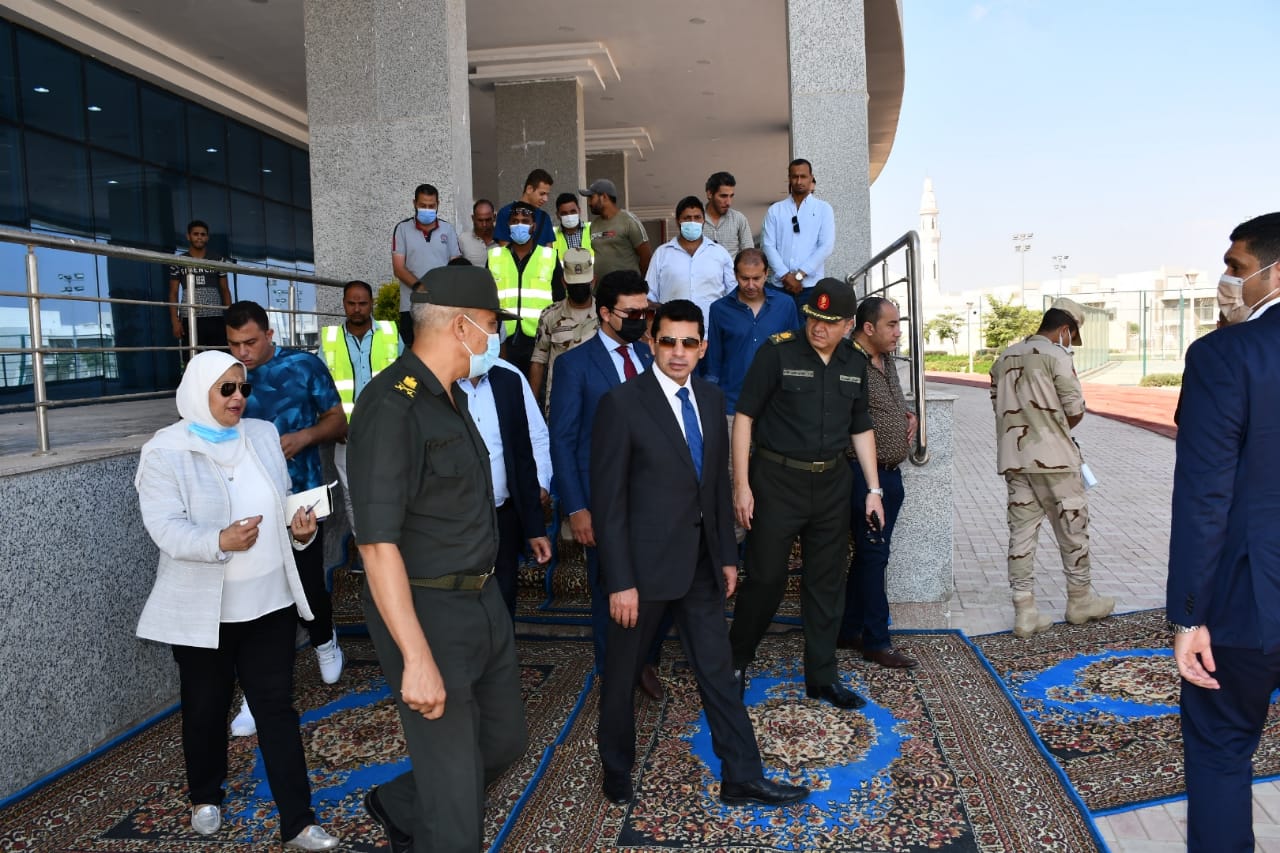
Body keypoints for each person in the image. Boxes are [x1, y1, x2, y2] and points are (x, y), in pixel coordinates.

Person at [592, 299, 809, 808]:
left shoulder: (711, 399)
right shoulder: (621, 404)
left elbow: (714, 485)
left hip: (700, 567)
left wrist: (727, 555)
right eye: (668, 341)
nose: (678, 352)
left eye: (689, 343)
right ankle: (616, 768)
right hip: (641, 575)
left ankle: (742, 776)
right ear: (652, 342)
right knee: (622, 675)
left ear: (703, 347)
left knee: (717, 671)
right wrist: (620, 581)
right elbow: (609, 502)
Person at [346, 265, 529, 853]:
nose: (497, 337)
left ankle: (400, 805)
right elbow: (376, 544)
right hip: (427, 610)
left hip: (482, 598)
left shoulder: (452, 396)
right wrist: (416, 657)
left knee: (504, 742)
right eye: (494, 325)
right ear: (462, 326)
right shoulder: (391, 406)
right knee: (456, 804)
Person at [134, 351, 340, 851]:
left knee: (276, 710)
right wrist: (219, 541)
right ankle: (205, 797)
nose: (238, 398)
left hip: (270, 603)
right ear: (197, 391)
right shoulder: (165, 450)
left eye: (243, 388)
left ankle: (299, 821)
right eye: (226, 389)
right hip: (205, 611)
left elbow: (283, 505)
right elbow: (165, 529)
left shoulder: (263, 435)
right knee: (205, 708)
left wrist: (302, 533)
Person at [1168, 212, 1280, 853]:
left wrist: (1190, 615)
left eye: (1236, 269)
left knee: (1219, 750)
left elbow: (1204, 497)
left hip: (1248, 605)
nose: (1227, 281)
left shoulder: (1224, 355)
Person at [728, 278, 884, 710]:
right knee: (765, 579)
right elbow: (744, 418)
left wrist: (873, 489)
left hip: (832, 484)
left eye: (830, 322)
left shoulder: (854, 362)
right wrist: (741, 485)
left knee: (827, 583)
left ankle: (822, 676)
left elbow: (861, 426)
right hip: (776, 482)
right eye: (813, 317)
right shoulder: (777, 352)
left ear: (849, 325)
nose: (818, 327)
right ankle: (735, 661)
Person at [226, 301, 348, 736]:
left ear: (270, 334)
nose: (243, 352)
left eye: (250, 342)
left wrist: (306, 436)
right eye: (234, 344)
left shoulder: (304, 366)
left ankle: (324, 639)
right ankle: (256, 695)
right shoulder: (225, 377)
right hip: (245, 504)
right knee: (257, 600)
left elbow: (339, 422)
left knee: (307, 584)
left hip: (301, 498)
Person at [548, 269, 667, 699]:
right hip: (602, 500)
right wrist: (576, 507)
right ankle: (614, 670)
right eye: (631, 313)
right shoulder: (574, 364)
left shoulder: (652, 358)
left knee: (659, 586)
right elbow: (562, 439)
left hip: (654, 497)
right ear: (605, 313)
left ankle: (646, 660)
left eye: (645, 312)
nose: (640, 320)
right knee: (609, 588)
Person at [989, 297, 1115, 638]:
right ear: (1065, 329)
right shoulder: (1057, 356)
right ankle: (1080, 600)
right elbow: (1075, 409)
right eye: (1071, 337)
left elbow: (997, 406)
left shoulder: (1003, 358)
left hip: (1016, 461)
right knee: (1073, 531)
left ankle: (1024, 611)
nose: (1070, 343)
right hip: (1056, 461)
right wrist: (1053, 430)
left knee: (1021, 535)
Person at [837, 297, 918, 668]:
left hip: (891, 473)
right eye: (892, 324)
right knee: (873, 555)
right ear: (868, 328)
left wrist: (906, 416)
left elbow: (885, 404)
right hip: (863, 476)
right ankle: (876, 640)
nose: (898, 332)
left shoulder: (885, 359)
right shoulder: (847, 361)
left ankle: (849, 629)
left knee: (870, 556)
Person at [705, 248, 800, 543]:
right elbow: (713, 365)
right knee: (734, 479)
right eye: (744, 278)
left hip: (775, 409)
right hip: (732, 409)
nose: (750, 284)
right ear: (735, 275)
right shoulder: (719, 309)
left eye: (756, 278)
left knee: (771, 478)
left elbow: (796, 355)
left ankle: (766, 545)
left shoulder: (785, 305)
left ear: (766, 274)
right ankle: (733, 551)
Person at [456, 356, 553, 618]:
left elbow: (530, 441)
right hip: (454, 521)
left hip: (503, 515)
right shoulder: (436, 381)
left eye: (494, 334)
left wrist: (537, 490)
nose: (490, 338)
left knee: (502, 597)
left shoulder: (509, 378)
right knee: (458, 605)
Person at [319, 281, 403, 546]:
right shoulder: (330, 339)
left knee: (389, 492)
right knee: (353, 495)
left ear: (372, 304)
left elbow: (410, 377)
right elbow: (320, 387)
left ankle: (392, 547)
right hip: (346, 434)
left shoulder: (390, 333)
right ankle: (367, 548)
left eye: (363, 303)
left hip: (386, 432)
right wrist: (332, 422)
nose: (357, 309)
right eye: (351, 303)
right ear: (344, 304)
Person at [488, 202, 558, 376]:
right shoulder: (494, 256)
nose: (519, 225)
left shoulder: (549, 257)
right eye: (515, 221)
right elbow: (485, 298)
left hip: (539, 339)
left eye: (525, 221)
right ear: (508, 225)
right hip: (503, 340)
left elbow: (559, 299)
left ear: (534, 226)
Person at [645, 196, 735, 324]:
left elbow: (733, 294)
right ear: (678, 221)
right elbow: (649, 297)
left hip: (712, 329)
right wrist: (666, 312)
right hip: (672, 329)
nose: (693, 222)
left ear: (704, 220)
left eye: (697, 217)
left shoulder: (719, 253)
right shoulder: (662, 254)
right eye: (687, 218)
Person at [391, 183, 461, 346]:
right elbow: (399, 268)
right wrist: (421, 288)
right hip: (410, 307)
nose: (427, 209)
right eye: (423, 205)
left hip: (442, 307)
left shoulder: (448, 229)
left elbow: (456, 266)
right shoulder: (402, 229)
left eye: (431, 206)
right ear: (414, 203)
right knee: (412, 353)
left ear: (438, 204)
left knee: (441, 352)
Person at [760, 158, 834, 309]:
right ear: (789, 178)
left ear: (811, 178)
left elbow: (826, 246)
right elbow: (767, 245)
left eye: (803, 176)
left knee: (808, 324)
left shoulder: (823, 209)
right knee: (779, 324)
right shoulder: (775, 210)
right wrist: (785, 276)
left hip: (811, 286)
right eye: (795, 177)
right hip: (779, 285)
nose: (799, 181)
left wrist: (800, 275)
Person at [530, 247, 598, 407]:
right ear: (564, 283)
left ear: (593, 281)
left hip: (597, 400)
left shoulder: (606, 315)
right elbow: (538, 361)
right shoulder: (550, 316)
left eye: (583, 284)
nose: (579, 288)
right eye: (574, 284)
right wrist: (532, 406)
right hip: (560, 400)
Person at [168, 219, 231, 357]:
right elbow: (173, 293)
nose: (199, 237)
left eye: (203, 234)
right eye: (196, 234)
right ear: (188, 236)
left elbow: (225, 290)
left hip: (215, 316)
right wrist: (175, 321)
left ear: (207, 237)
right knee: (192, 359)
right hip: (189, 316)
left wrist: (230, 319)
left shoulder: (218, 260)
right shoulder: (178, 261)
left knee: (219, 359)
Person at [579, 178, 652, 280]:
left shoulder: (629, 221)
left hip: (626, 287)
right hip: (601, 288)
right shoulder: (594, 225)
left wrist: (638, 283)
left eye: (591, 197)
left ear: (604, 197)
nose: (589, 203)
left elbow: (646, 256)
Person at [494, 168, 556, 247]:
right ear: (529, 189)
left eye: (547, 194)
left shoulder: (545, 217)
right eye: (542, 194)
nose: (545, 199)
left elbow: (549, 250)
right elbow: (504, 249)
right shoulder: (506, 213)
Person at [702, 172, 754, 255]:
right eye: (723, 196)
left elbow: (749, 253)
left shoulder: (739, 219)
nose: (728, 202)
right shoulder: (695, 219)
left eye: (731, 196)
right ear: (710, 194)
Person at [457, 199, 497, 267]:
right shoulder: (463, 240)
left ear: (494, 217)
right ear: (473, 218)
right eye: (480, 220)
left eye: (488, 220)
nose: (484, 224)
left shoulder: (503, 239)